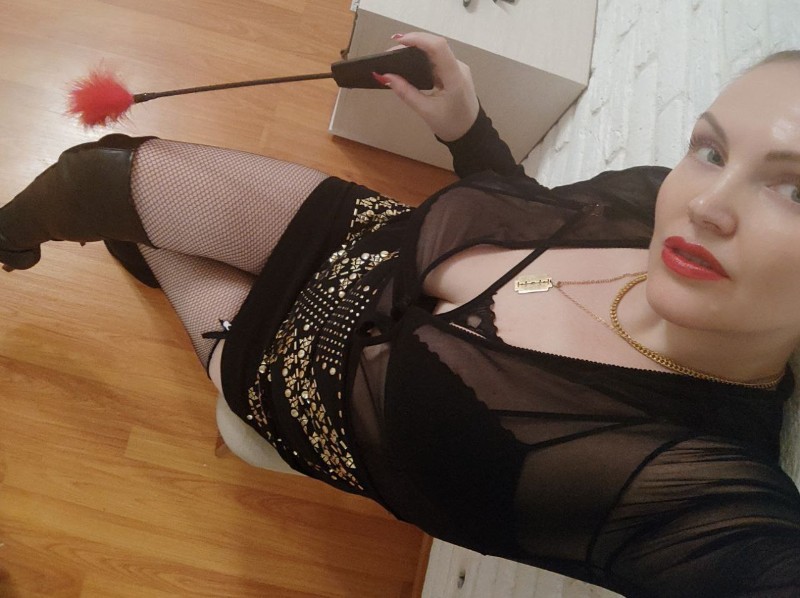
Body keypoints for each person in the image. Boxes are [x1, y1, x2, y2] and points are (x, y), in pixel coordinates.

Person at [2, 32, 800, 597]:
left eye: (795, 190)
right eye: (712, 150)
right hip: (361, 240)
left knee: (146, 230)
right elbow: (533, 212)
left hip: (286, 374)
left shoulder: (701, 492)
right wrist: (466, 126)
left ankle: (144, 251)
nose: (706, 206)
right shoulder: (650, 196)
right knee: (95, 176)